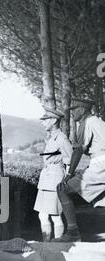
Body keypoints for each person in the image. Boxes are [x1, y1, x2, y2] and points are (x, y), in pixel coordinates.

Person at [55, 97, 105, 242]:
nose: (72, 113)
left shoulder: (86, 122)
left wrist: (69, 174)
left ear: (82, 110)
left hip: (101, 164)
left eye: (74, 110)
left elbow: (78, 151)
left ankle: (72, 233)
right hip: (100, 164)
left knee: (62, 190)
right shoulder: (99, 121)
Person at [34, 107, 73, 241]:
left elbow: (70, 160)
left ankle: (58, 246)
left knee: (55, 216)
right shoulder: (51, 139)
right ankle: (47, 245)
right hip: (46, 179)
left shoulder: (61, 138)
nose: (43, 122)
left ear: (54, 121)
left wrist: (65, 180)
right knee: (43, 216)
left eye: (45, 120)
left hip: (55, 180)